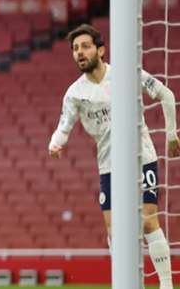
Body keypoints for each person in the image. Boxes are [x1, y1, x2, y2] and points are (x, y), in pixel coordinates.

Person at [49, 24, 179, 289]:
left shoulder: (127, 75)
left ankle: (166, 284)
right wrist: (55, 144)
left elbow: (165, 93)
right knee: (114, 230)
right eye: (75, 49)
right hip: (109, 165)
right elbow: (64, 126)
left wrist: (172, 134)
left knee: (147, 220)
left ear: (101, 50)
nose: (79, 53)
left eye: (85, 46)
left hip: (141, 156)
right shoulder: (75, 93)